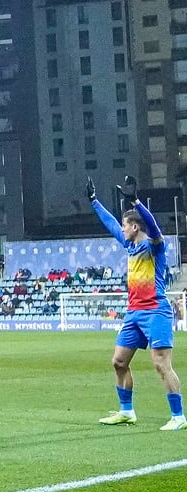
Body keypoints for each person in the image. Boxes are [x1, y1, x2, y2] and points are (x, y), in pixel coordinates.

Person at [90, 177, 183, 429]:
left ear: (134, 227)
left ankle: (178, 417)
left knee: (161, 364)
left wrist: (137, 203)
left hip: (156, 310)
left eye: (125, 225)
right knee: (119, 361)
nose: (121, 229)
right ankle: (127, 411)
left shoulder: (155, 246)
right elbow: (110, 225)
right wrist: (94, 202)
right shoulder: (130, 246)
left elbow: (153, 227)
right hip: (134, 313)